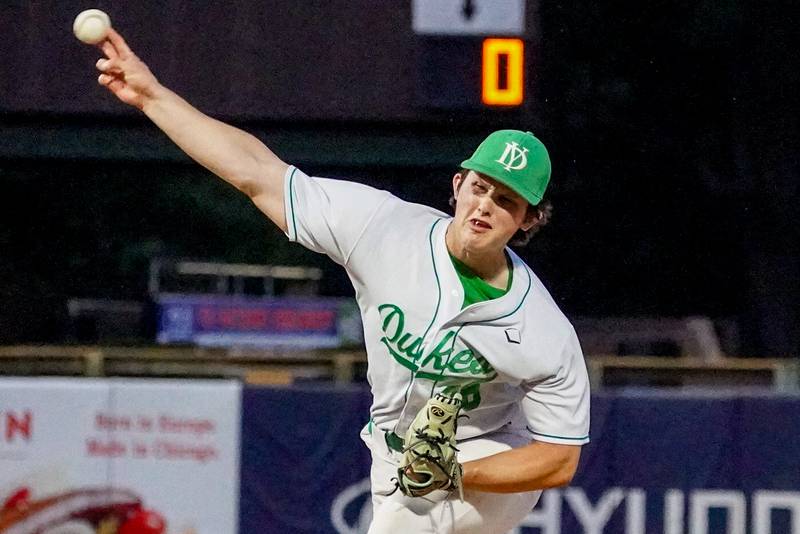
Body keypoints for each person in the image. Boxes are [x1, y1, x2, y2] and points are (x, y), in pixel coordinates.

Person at [93, 28, 590, 534]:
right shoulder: (383, 228)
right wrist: (153, 96)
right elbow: (257, 173)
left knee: (408, 520)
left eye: (507, 200)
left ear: (529, 220)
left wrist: (459, 472)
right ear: (458, 185)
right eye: (481, 187)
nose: (485, 205)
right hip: (391, 452)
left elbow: (559, 458)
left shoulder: (541, 328)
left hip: (491, 455)